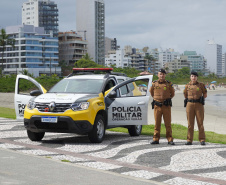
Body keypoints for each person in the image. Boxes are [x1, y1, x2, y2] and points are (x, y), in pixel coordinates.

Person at [149, 69, 175, 145]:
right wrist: (157, 99)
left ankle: (170, 139)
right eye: (160, 74)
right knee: (157, 123)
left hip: (166, 106)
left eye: (163, 74)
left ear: (165, 75)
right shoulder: (154, 84)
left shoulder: (168, 84)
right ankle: (156, 139)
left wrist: (167, 99)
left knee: (168, 124)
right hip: (157, 106)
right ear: (158, 75)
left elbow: (172, 94)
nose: (162, 75)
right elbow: (151, 93)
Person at [184, 71, 207, 145]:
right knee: (190, 123)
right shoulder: (187, 85)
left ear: (197, 77)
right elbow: (185, 95)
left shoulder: (201, 85)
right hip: (190, 105)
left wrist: (200, 99)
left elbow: (205, 94)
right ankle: (189, 140)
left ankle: (202, 139)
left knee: (200, 123)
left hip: (199, 105)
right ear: (190, 77)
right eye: (192, 76)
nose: (194, 78)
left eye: (195, 76)